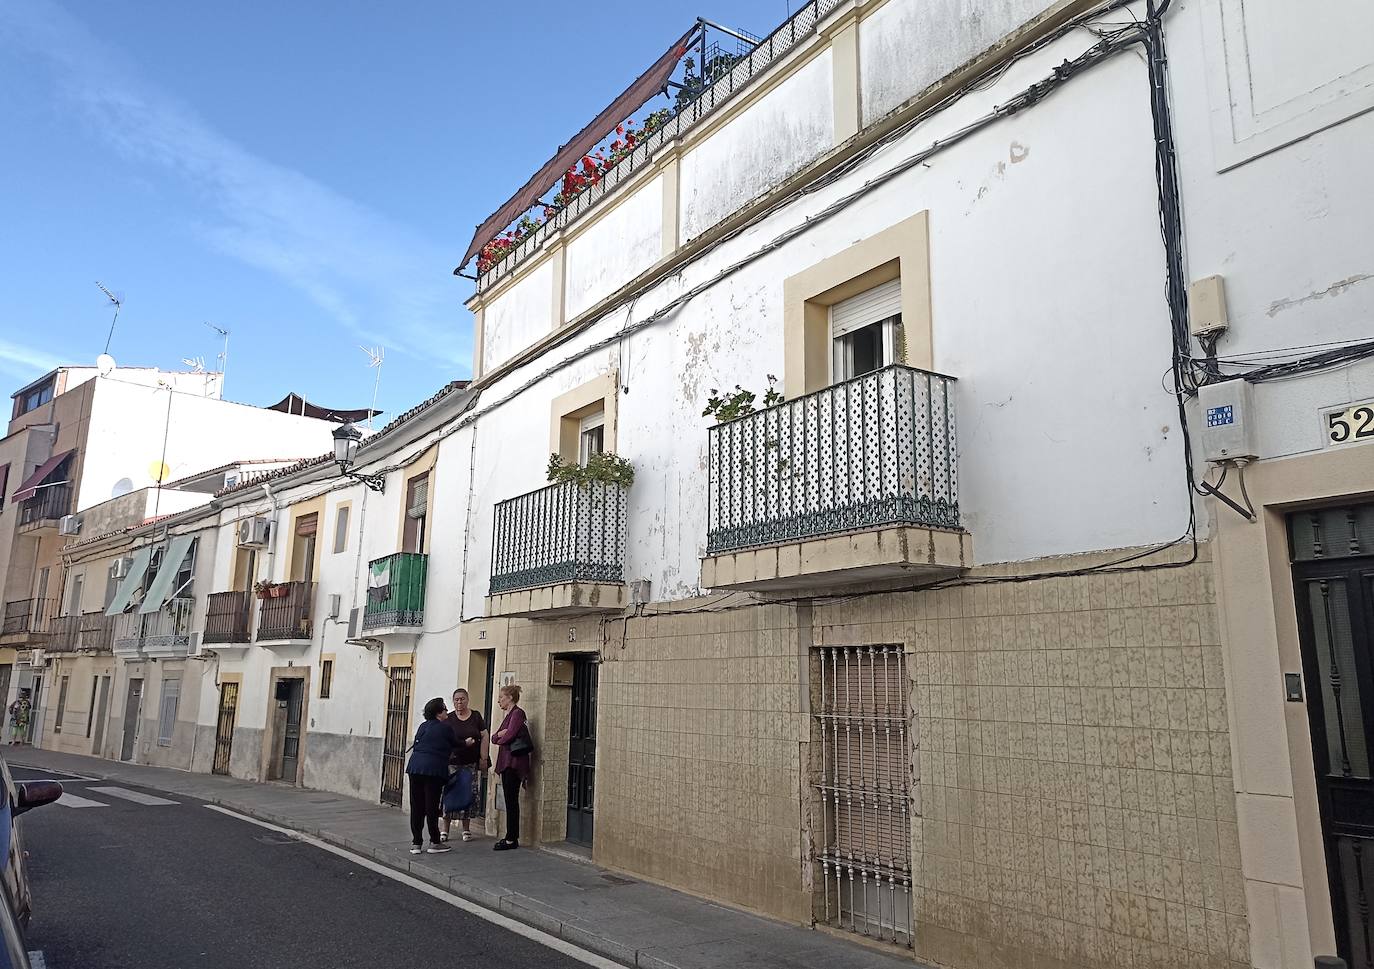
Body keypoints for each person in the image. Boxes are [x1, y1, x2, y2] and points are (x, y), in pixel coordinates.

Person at [404, 697, 458, 855]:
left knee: (417, 806)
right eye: (445, 709)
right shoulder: (445, 728)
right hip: (433, 770)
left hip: (415, 768)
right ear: (438, 713)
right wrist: (467, 743)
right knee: (431, 807)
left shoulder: (422, 726)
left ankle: (416, 843)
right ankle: (434, 841)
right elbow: (456, 744)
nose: (447, 711)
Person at [440, 688, 489, 843]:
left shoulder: (475, 716)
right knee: (449, 795)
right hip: (452, 764)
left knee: (468, 795)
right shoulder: (449, 719)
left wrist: (483, 758)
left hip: (470, 764)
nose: (459, 702)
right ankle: (445, 829)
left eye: (462, 699)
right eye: (456, 700)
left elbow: (484, 735)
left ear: (467, 700)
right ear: (453, 701)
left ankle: (466, 829)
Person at [490, 684, 532, 851]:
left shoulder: (517, 713)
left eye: (502, 697)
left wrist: (500, 737)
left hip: (513, 763)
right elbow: (494, 736)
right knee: (509, 800)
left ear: (510, 698)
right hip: (506, 762)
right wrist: (499, 736)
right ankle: (510, 836)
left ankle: (511, 838)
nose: (499, 700)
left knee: (511, 801)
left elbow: (509, 735)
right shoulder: (508, 715)